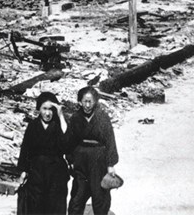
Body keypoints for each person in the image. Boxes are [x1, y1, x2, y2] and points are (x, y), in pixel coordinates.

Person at [67, 86, 119, 215]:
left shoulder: (102, 117)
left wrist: (110, 164)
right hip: (81, 161)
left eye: (90, 101)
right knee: (77, 198)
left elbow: (110, 141)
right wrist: (70, 159)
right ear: (79, 102)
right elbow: (70, 141)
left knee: (99, 196)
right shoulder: (75, 118)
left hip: (98, 160)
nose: (87, 105)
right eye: (85, 101)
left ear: (95, 102)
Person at [17, 92, 70, 215]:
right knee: (36, 207)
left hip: (56, 174)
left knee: (55, 207)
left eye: (51, 109)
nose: (47, 113)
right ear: (39, 109)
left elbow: (67, 143)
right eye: (44, 109)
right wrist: (23, 171)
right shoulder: (33, 126)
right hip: (37, 173)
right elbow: (26, 149)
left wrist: (61, 115)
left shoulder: (59, 125)